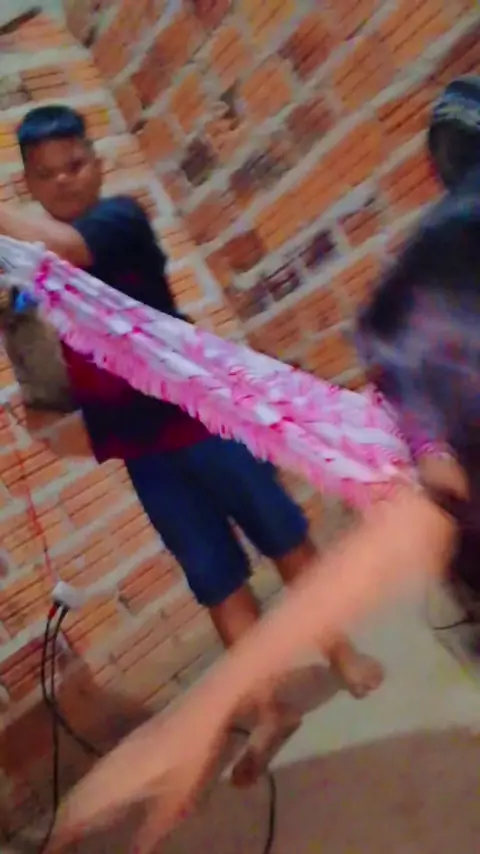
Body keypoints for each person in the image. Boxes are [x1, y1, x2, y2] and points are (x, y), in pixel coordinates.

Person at [0, 104, 383, 782]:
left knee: (285, 541)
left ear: (97, 163)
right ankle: (267, 710)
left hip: (205, 424)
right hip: (145, 457)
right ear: (30, 184)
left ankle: (340, 652)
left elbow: (63, 251)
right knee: (215, 581)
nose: (64, 181)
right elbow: (45, 362)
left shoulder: (118, 222)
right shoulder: (30, 278)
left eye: (75, 164)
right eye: (47, 174)